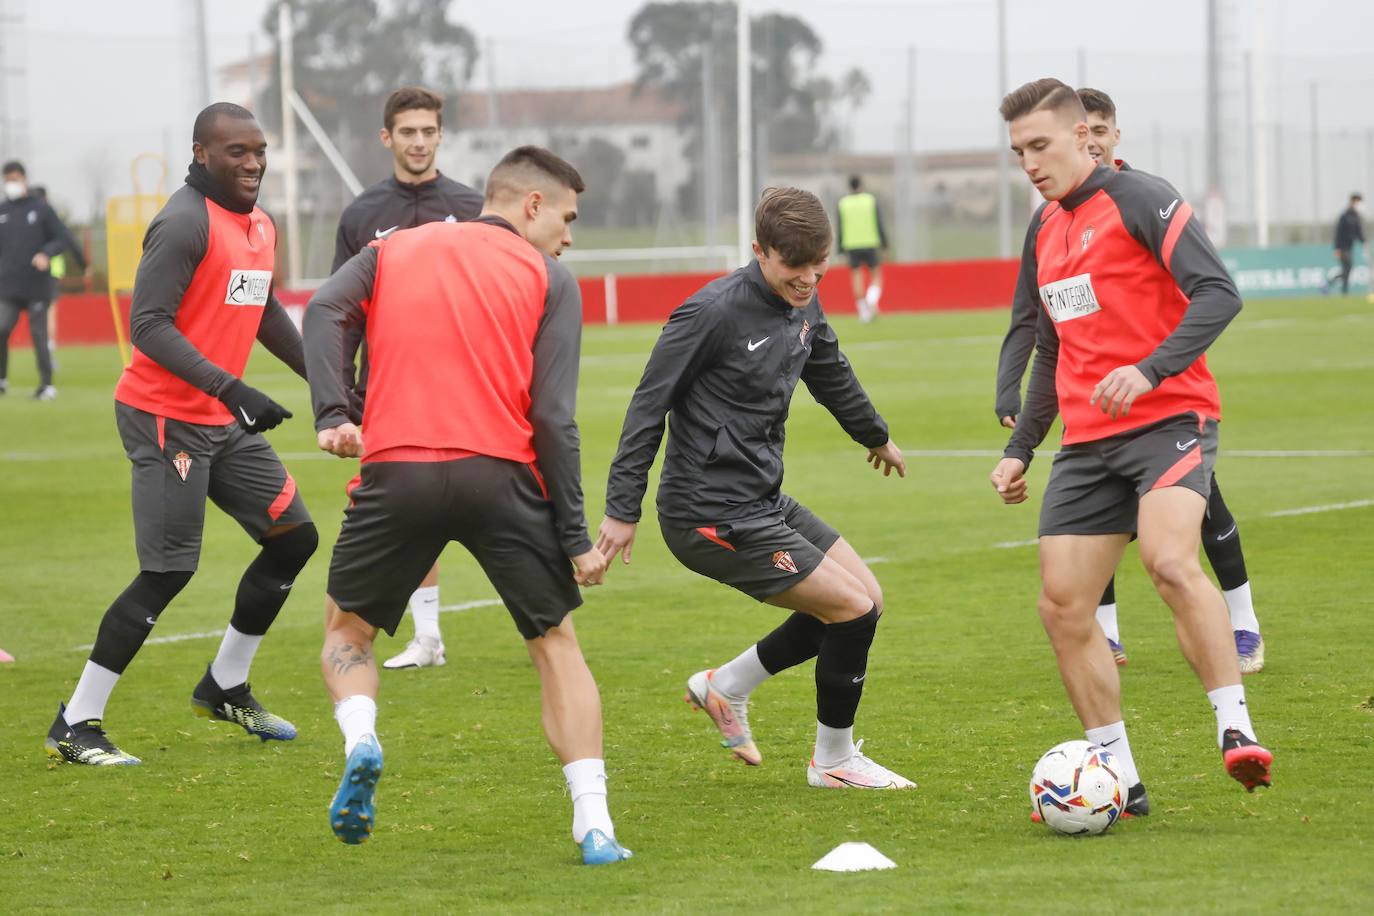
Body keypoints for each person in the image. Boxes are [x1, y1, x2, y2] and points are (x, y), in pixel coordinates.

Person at [304, 146, 631, 864]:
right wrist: (574, 536)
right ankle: (595, 824)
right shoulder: (550, 278)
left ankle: (362, 739)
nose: (570, 237)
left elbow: (325, 308)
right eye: (568, 218)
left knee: (348, 632)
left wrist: (334, 410)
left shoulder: (393, 250)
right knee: (555, 646)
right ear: (533, 205)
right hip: (500, 476)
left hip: (399, 471)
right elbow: (553, 418)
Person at [988, 79, 1272, 816]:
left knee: (1170, 560)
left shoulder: (1143, 197)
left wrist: (1149, 369)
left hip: (1169, 419)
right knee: (1062, 606)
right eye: (1018, 150)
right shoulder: (1044, 227)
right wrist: (1022, 446)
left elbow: (1218, 291)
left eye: (1040, 145)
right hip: (1086, 444)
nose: (1029, 162)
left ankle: (1234, 726)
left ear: (1086, 135)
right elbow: (1050, 347)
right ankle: (1118, 774)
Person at [596, 186, 913, 790]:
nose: (806, 283)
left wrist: (875, 435)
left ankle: (727, 686)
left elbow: (829, 371)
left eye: (817, 270)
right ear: (759, 252)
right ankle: (834, 762)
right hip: (707, 511)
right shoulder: (710, 312)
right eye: (793, 270)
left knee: (866, 600)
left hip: (761, 499)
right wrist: (620, 508)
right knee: (849, 610)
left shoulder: (806, 302)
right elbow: (647, 407)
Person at [44, 103, 318, 766]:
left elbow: (262, 310)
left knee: (293, 539)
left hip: (222, 419)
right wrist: (233, 386)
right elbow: (148, 326)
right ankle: (76, 722)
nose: (252, 162)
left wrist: (330, 384)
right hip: (166, 417)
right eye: (236, 152)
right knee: (167, 571)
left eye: (259, 150)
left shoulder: (258, 224)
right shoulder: (182, 221)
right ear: (202, 154)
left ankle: (224, 684)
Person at [331, 86, 483, 671]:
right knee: (408, 507)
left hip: (469, 388)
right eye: (407, 132)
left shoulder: (472, 208)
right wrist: (341, 402)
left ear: (441, 135)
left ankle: (546, 623)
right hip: (389, 390)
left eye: (428, 131)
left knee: (515, 500)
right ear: (387, 137)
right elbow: (340, 314)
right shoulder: (361, 216)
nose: (418, 141)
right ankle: (427, 636)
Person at [0, 161, 78, 399]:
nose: (10, 184)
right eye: (7, 180)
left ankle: (46, 385)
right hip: (8, 287)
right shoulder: (2, 211)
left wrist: (47, 252)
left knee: (38, 335)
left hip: (36, 286)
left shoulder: (41, 208)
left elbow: (62, 236)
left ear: (24, 179)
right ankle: (2, 380)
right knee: (1, 329)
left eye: (14, 179)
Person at [31, 185, 87, 363]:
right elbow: (68, 239)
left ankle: (45, 354)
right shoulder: (50, 218)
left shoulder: (27, 217)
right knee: (48, 313)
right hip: (50, 273)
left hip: (27, 273)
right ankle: (48, 352)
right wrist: (83, 265)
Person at [834, 175, 887, 323]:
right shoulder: (870, 200)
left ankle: (863, 311)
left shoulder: (843, 203)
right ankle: (871, 300)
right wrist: (884, 245)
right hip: (870, 242)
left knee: (857, 277)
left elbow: (840, 228)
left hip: (851, 245)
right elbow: (878, 223)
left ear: (849, 187)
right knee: (876, 276)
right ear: (861, 185)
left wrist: (839, 251)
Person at [1324, 193, 1364, 295]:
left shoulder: (1356, 216)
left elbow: (1358, 231)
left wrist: (1363, 240)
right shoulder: (1345, 216)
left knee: (1347, 269)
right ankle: (1338, 287)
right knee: (1347, 268)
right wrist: (1337, 248)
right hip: (1343, 247)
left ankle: (1333, 285)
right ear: (1352, 201)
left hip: (1349, 246)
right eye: (1357, 202)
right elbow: (1338, 233)